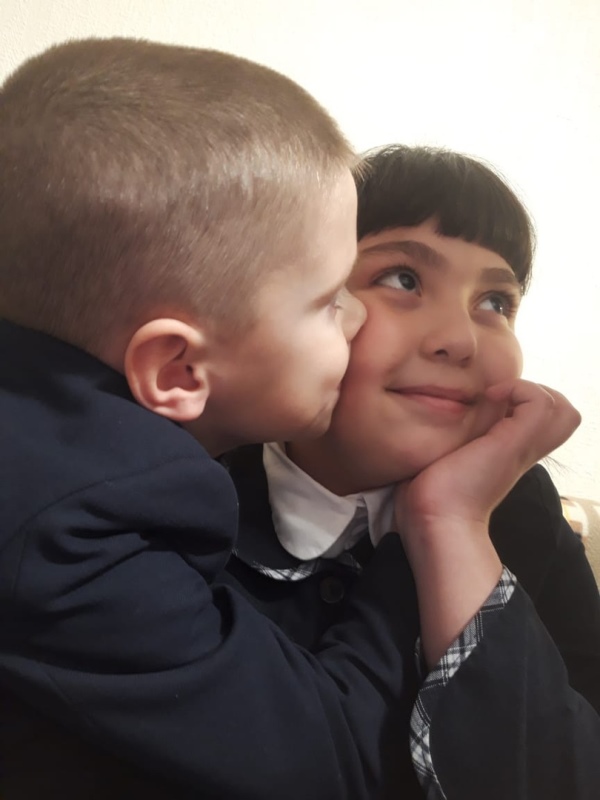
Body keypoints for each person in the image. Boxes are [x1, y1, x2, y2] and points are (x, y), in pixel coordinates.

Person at [222, 145, 600, 799]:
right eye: (403, 279)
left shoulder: (519, 508)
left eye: (495, 301)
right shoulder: (193, 493)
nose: (460, 338)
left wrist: (452, 524)